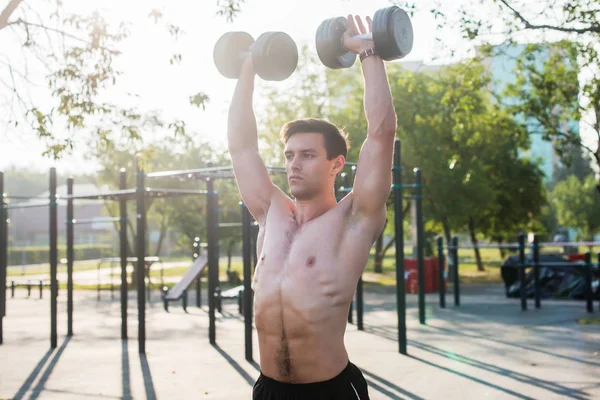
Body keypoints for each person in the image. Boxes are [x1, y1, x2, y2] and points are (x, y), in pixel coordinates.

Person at [227, 14, 397, 400]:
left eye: (307, 155)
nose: (293, 165)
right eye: (289, 155)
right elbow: (241, 146)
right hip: (268, 390)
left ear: (336, 163)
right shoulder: (270, 214)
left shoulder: (354, 219)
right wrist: (249, 65)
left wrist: (368, 52)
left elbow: (381, 132)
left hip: (330, 392)